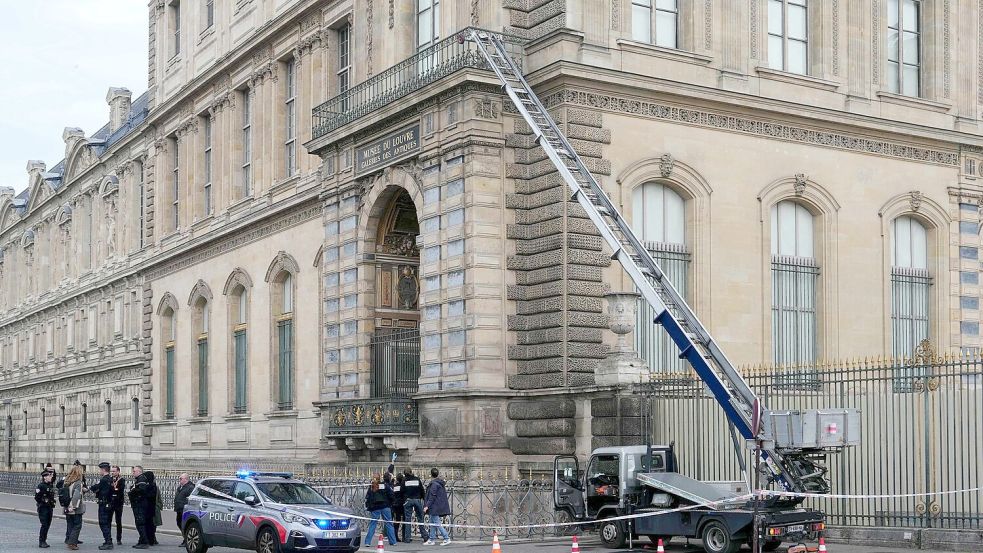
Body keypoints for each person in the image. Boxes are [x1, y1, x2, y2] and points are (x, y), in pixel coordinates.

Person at [363, 475, 397, 546]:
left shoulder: (371, 487)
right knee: (389, 523)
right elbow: (391, 495)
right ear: (380, 479)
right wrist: (390, 503)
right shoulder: (385, 485)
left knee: (373, 524)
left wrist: (369, 507)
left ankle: (367, 542)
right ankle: (393, 541)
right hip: (385, 506)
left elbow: (368, 498)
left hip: (375, 508)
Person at [89, 462, 116, 550]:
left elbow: (95, 487)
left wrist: (92, 489)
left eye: (100, 469)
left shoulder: (104, 480)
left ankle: (108, 542)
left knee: (103, 523)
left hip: (104, 504)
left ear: (103, 470)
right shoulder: (110, 479)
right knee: (107, 523)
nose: (99, 471)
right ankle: (108, 540)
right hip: (109, 504)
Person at [423, 468, 451, 546]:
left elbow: (432, 496)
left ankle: (446, 538)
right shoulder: (438, 483)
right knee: (432, 523)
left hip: (434, 506)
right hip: (436, 506)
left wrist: (426, 506)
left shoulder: (434, 484)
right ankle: (431, 539)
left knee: (437, 523)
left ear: (430, 475)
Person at [402, 468, 428, 544]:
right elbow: (422, 490)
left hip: (408, 500)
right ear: (411, 472)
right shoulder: (417, 479)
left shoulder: (405, 480)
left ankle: (407, 538)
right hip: (417, 500)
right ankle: (425, 536)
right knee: (420, 518)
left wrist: (404, 500)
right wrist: (424, 500)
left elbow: (402, 491)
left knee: (407, 519)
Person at [64, 465, 86, 551]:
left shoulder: (67, 481)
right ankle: (72, 543)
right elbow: (76, 496)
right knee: (77, 525)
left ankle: (69, 539)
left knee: (70, 525)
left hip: (66, 506)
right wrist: (73, 507)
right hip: (75, 508)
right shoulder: (78, 483)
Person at [128, 466, 150, 549]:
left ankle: (144, 542)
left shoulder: (142, 479)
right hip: (138, 504)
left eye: (134, 471)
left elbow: (141, 490)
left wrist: (132, 491)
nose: (133, 473)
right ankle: (141, 540)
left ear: (139, 471)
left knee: (140, 523)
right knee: (139, 523)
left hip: (140, 504)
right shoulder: (139, 479)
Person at [35, 470, 56, 549]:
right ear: (45, 477)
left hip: (49, 507)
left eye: (51, 476)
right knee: (44, 525)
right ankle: (41, 541)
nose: (51, 477)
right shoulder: (41, 486)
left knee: (48, 524)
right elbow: (37, 497)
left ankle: (44, 540)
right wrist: (43, 501)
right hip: (43, 508)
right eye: (49, 476)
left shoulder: (50, 485)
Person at [173, 473, 195, 547]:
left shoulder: (190, 487)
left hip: (185, 509)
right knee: (179, 523)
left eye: (181, 478)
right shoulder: (180, 487)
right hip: (179, 509)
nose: (179, 480)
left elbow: (191, 499)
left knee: (184, 525)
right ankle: (186, 538)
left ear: (186, 479)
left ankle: (186, 540)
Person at [110, 466, 126, 545]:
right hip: (111, 503)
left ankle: (119, 538)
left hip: (118, 503)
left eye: (114, 471)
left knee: (118, 521)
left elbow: (120, 490)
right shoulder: (109, 479)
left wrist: (113, 489)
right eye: (111, 471)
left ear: (118, 472)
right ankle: (108, 538)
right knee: (108, 521)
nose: (112, 473)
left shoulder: (121, 480)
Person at [146, 471, 161, 546]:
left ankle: (151, 539)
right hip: (152, 508)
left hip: (153, 508)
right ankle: (152, 538)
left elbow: (158, 498)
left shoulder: (152, 486)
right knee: (152, 524)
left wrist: (159, 506)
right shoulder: (152, 486)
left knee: (152, 524)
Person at [391, 472, 406, 542]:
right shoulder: (403, 486)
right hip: (402, 504)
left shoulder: (394, 486)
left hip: (395, 505)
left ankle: (395, 535)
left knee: (397, 520)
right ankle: (404, 536)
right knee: (405, 521)